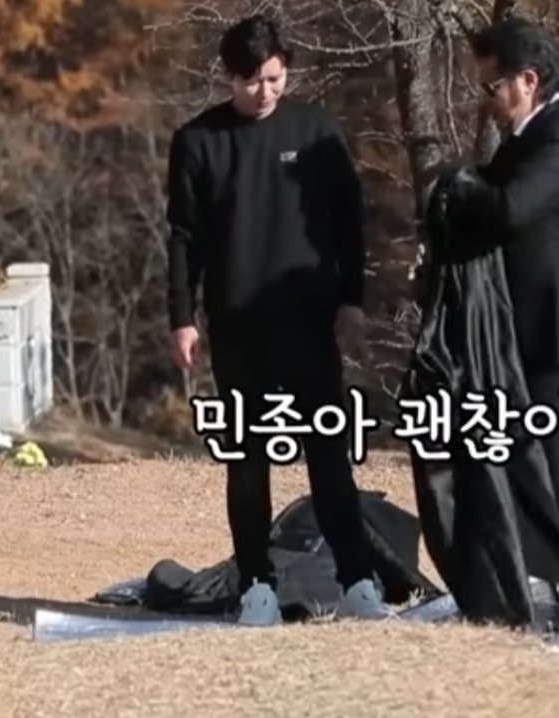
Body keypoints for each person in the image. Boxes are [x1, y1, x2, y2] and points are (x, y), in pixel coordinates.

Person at [163, 14, 392, 626]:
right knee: (248, 456)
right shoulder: (198, 140)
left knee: (328, 452)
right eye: (250, 81)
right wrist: (182, 316)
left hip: (311, 317)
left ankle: (357, 580)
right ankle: (256, 585)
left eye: (273, 77)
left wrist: (352, 300)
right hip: (238, 320)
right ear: (227, 77)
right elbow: (183, 237)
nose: (264, 91)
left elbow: (348, 224)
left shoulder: (315, 131)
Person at [443, 17, 559, 640]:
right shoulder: (520, 140)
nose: (486, 99)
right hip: (524, 329)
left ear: (528, 79)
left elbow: (511, 208)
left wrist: (459, 185)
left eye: (491, 86)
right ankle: (533, 583)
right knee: (522, 460)